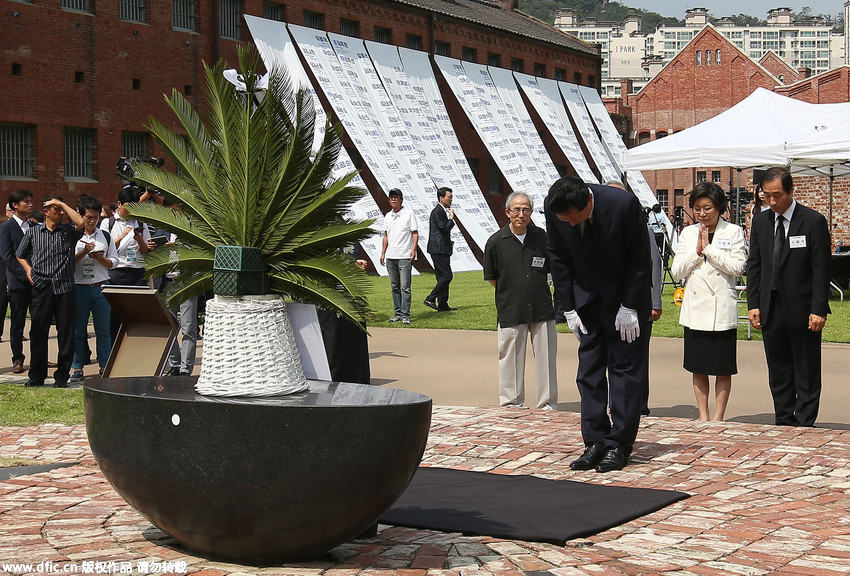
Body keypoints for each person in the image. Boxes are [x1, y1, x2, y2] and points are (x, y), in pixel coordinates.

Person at [545, 176, 650, 473]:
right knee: (588, 373)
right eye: (565, 221)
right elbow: (559, 259)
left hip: (624, 302)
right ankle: (594, 440)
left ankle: (619, 444)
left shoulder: (623, 205)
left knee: (625, 373)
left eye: (575, 220)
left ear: (588, 202)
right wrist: (568, 307)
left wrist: (629, 305)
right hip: (586, 302)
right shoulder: (555, 209)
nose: (571, 225)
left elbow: (640, 260)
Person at [747, 167, 831, 427]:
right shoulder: (761, 222)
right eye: (767, 196)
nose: (772, 202)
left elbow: (820, 269)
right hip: (771, 307)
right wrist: (753, 304)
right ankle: (784, 419)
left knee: (805, 368)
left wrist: (818, 308)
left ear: (790, 191)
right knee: (779, 368)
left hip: (803, 308)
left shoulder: (812, 221)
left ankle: (805, 420)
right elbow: (755, 266)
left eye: (777, 195)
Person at [671, 183, 747, 421]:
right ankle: (703, 415)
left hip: (721, 307)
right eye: (697, 208)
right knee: (698, 366)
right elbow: (677, 271)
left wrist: (710, 250)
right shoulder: (688, 233)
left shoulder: (733, 232)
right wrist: (697, 252)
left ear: (719, 207)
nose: (702, 213)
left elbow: (737, 267)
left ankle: (719, 416)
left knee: (723, 368)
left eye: (708, 208)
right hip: (696, 309)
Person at [483, 192, 557, 410]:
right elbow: (492, 278)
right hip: (511, 309)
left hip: (542, 308)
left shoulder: (541, 237)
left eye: (526, 210)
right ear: (507, 212)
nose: (521, 214)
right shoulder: (496, 242)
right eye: (516, 209)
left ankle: (547, 404)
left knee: (546, 360)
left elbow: (551, 268)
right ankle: (512, 402)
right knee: (510, 360)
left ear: (531, 213)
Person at [16, 196, 85, 388]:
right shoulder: (33, 232)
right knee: (38, 332)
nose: (61, 213)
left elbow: (81, 222)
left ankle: (61, 376)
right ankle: (37, 375)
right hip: (41, 287)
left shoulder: (68, 232)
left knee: (66, 333)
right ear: (46, 211)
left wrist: (62, 203)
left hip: (65, 288)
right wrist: (29, 270)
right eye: (57, 209)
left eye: (62, 209)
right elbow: (20, 254)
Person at [70, 196, 118, 382]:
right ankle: (77, 367)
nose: (91, 221)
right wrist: (82, 253)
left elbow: (113, 261)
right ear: (80, 215)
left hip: (101, 286)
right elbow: (67, 263)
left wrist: (101, 259)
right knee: (78, 330)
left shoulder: (104, 235)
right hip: (79, 286)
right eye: (88, 217)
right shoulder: (73, 235)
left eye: (95, 218)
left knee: (103, 330)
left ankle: (104, 364)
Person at [0, 190, 34, 374]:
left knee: (39, 321)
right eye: (25, 202)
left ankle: (39, 357)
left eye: (31, 201)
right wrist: (24, 274)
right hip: (18, 283)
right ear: (15, 205)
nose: (30, 204)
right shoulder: (6, 228)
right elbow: (6, 255)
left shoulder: (35, 227)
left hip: (37, 282)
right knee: (18, 322)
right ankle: (17, 358)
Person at [379, 188, 418, 325]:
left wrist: (413, 250)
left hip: (404, 256)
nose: (394, 199)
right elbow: (385, 236)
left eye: (396, 197)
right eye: (391, 197)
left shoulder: (408, 214)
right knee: (394, 286)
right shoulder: (387, 216)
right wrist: (383, 253)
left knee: (405, 287)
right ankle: (398, 313)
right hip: (391, 256)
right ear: (389, 200)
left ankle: (406, 315)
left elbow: (414, 233)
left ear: (401, 199)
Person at [424, 187, 457, 312]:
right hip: (438, 249)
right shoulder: (437, 211)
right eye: (449, 197)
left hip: (441, 249)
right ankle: (430, 298)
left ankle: (443, 304)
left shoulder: (441, 210)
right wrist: (451, 218)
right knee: (447, 276)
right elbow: (444, 228)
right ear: (441, 198)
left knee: (442, 277)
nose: (451, 199)